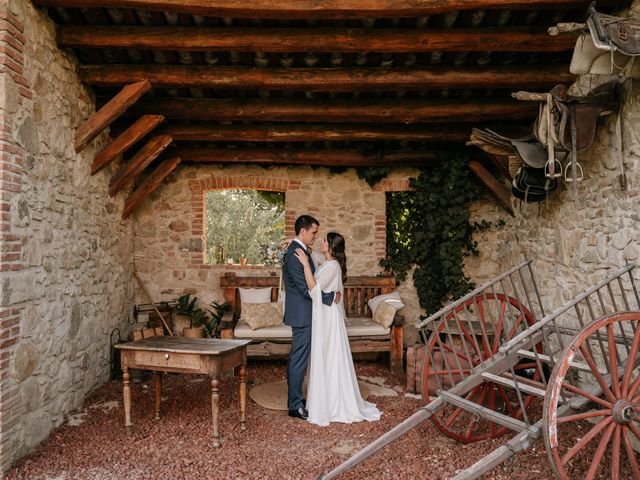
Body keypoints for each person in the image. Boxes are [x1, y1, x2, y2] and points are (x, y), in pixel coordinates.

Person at [294, 232, 381, 426]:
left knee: (330, 355)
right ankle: (325, 397)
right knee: (326, 355)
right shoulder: (327, 262)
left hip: (329, 317)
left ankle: (333, 403)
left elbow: (314, 290)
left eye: (325, 240)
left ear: (331, 247)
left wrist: (306, 265)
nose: (321, 242)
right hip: (325, 314)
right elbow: (314, 254)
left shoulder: (332, 267)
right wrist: (297, 245)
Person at [283, 215, 337, 420]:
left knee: (298, 358)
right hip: (303, 315)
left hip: (305, 313)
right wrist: (330, 297)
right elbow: (307, 289)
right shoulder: (295, 254)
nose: (316, 236)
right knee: (298, 360)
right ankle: (295, 405)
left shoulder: (298, 250)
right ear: (303, 231)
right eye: (314, 232)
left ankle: (296, 398)